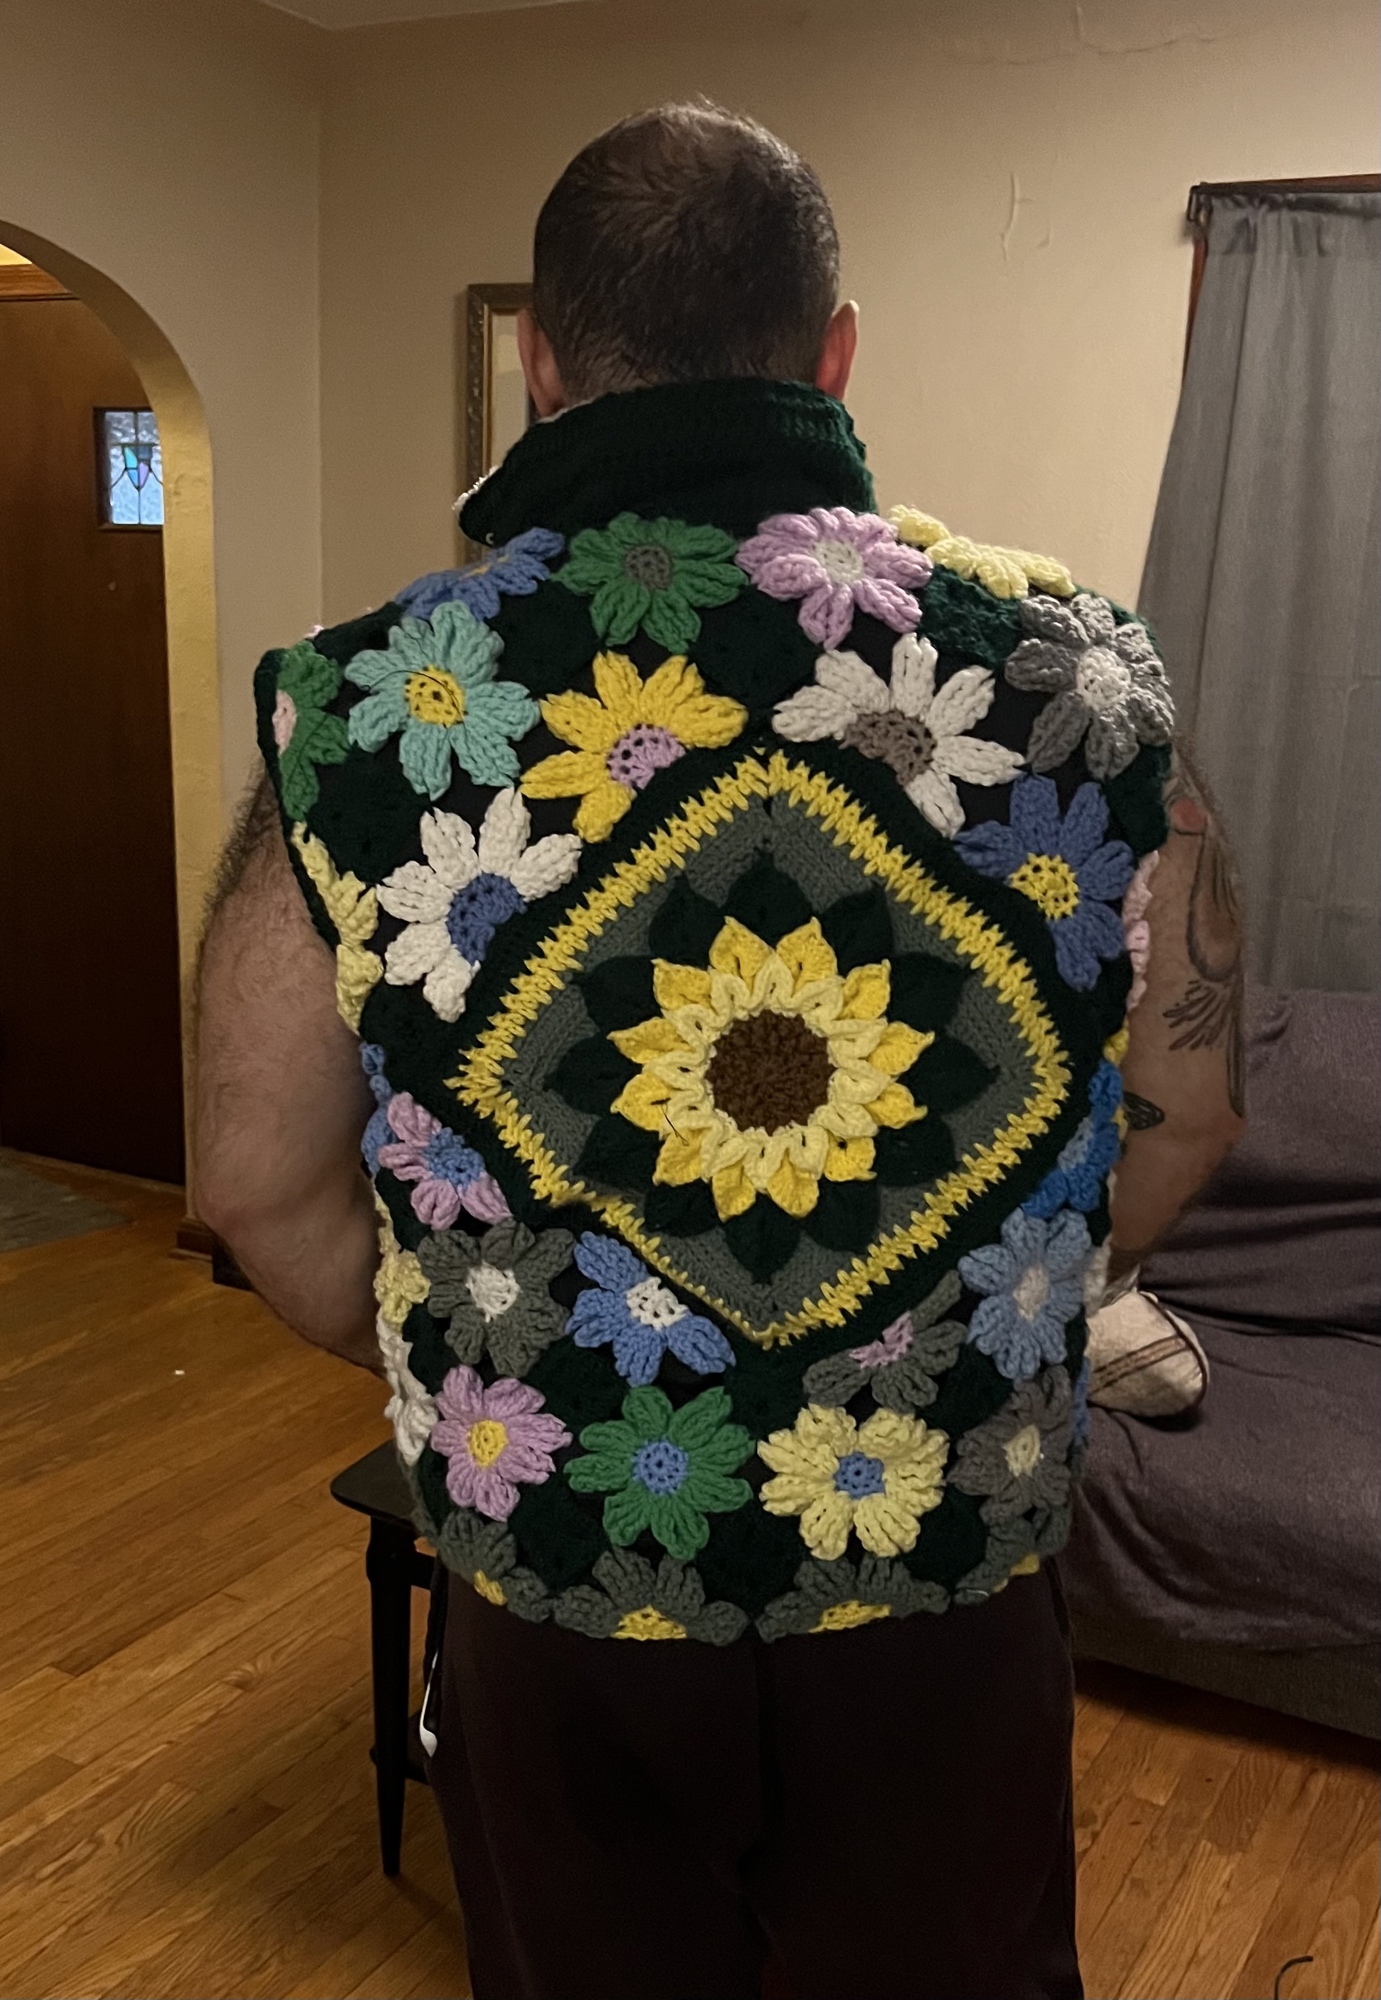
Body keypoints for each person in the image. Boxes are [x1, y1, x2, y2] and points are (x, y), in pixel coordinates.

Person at [196, 102, 1243, 2000]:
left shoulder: (362, 711)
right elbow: (1187, 1119)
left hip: (563, 1566)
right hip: (946, 1552)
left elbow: (254, 1185)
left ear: (541, 358)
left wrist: (492, 1368)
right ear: (832, 353)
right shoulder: (1081, 681)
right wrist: (987, 1315)